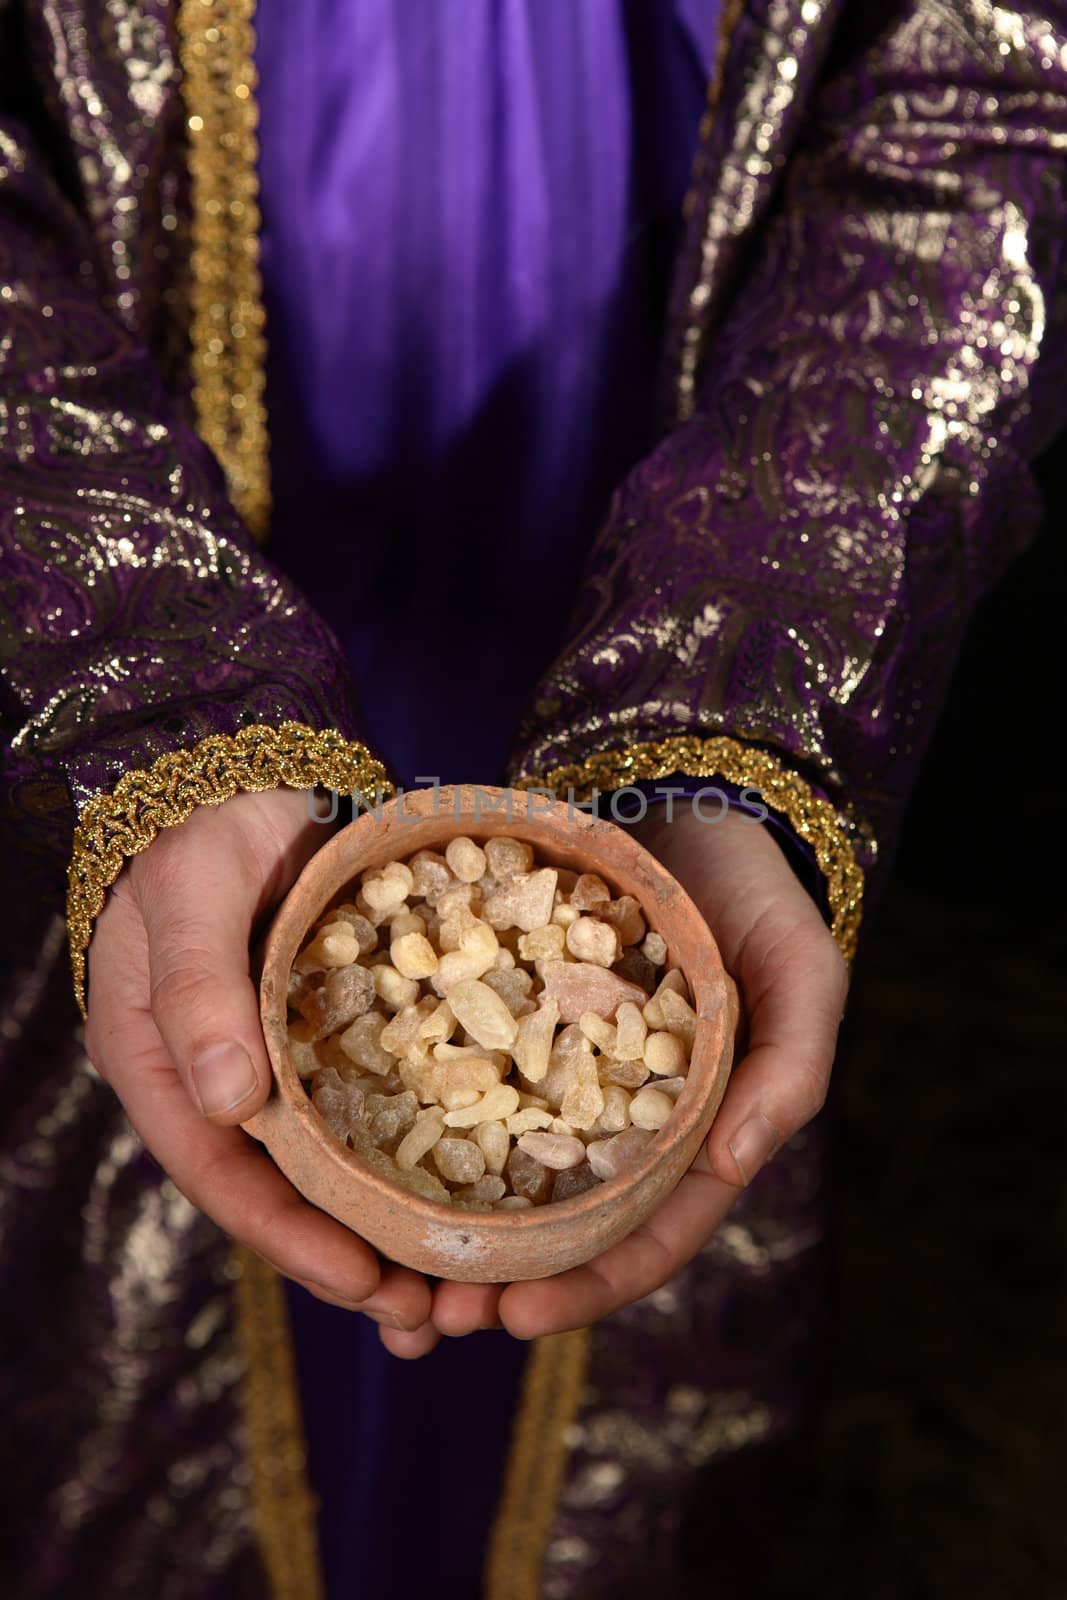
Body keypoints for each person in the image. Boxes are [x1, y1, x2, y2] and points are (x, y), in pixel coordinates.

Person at [1, 2, 1064, 1596]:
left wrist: (743, 686)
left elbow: (984, 99)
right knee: (150, 1257)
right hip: (157, 350)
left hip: (657, 283)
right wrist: (156, 687)